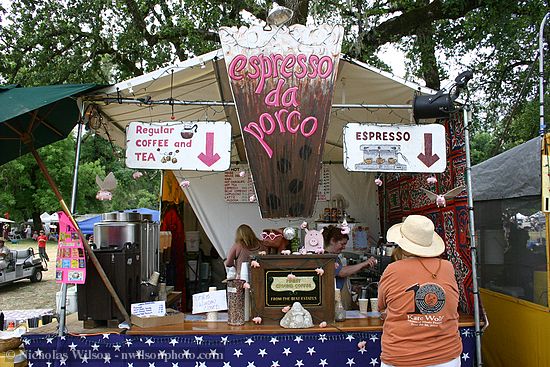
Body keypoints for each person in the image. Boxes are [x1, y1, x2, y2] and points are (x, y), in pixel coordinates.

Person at [378, 215, 461, 367]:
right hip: (446, 355)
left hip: (401, 356)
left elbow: (381, 305)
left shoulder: (393, 270)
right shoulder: (448, 267)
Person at [323, 225, 377, 309]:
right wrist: (363, 264)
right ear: (333, 241)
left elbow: (340, 278)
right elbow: (341, 272)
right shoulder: (326, 257)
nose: (344, 247)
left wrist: (353, 287)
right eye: (342, 244)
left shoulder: (335, 257)